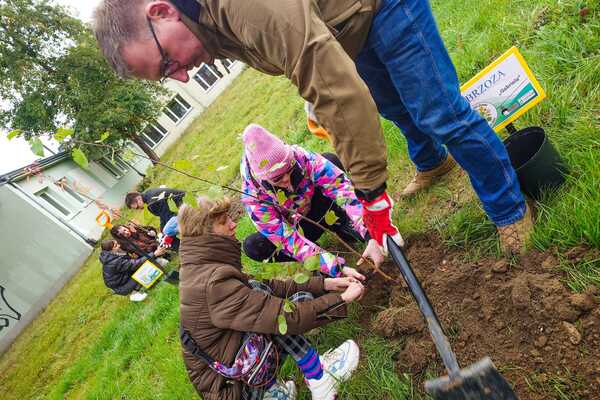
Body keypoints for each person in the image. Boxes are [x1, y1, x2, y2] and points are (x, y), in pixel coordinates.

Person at [93, 0, 532, 256]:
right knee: (398, 109)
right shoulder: (205, 21)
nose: (182, 76)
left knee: (441, 114)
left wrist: (372, 195)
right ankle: (433, 162)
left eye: (168, 63)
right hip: (345, 27)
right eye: (167, 76)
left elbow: (334, 88)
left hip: (384, 8)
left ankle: (508, 208)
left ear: (161, 11)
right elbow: (298, 58)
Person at [177, 196, 365, 399]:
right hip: (232, 392)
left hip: (233, 372)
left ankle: (273, 393)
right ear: (205, 235)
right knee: (274, 314)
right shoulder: (213, 283)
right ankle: (319, 377)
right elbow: (279, 315)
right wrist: (342, 299)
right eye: (223, 222)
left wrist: (325, 284)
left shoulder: (201, 268)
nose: (233, 224)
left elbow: (268, 286)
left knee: (274, 298)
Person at [241, 124, 387, 279]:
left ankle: (340, 222)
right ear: (262, 177)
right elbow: (287, 239)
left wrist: (371, 233)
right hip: (299, 228)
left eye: (290, 170)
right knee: (253, 246)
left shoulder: (301, 157)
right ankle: (313, 259)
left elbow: (343, 189)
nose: (286, 180)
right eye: (277, 178)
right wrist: (335, 267)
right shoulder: (253, 198)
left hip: (321, 207)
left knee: (330, 160)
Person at [99, 239, 167, 301]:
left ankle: (137, 288)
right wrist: (154, 254)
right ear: (111, 250)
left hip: (124, 278)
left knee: (150, 267)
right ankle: (134, 293)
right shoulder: (114, 261)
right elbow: (135, 265)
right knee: (146, 271)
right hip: (121, 286)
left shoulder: (111, 256)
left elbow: (129, 264)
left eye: (117, 243)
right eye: (116, 245)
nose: (119, 245)